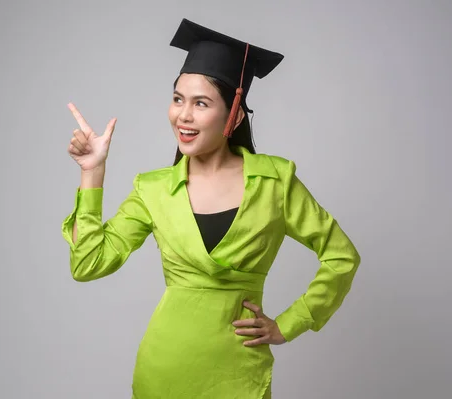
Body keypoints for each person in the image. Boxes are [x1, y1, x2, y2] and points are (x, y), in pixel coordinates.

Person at [61, 18, 361, 399]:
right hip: (163, 369)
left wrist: (291, 322)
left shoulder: (275, 181)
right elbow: (88, 264)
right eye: (177, 99)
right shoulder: (153, 189)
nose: (183, 115)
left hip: (238, 375)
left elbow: (341, 257)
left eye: (200, 103)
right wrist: (93, 173)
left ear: (234, 115)